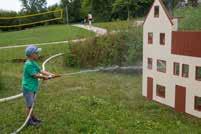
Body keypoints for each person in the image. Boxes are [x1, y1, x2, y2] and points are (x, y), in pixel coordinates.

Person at [22, 45, 60, 126]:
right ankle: (29, 121)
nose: (38, 54)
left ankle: (33, 117)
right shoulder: (28, 64)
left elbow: (41, 71)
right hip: (28, 88)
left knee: (32, 104)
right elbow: (35, 75)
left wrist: (52, 75)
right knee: (29, 105)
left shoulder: (33, 62)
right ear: (32, 55)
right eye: (37, 53)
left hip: (32, 87)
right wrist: (46, 77)